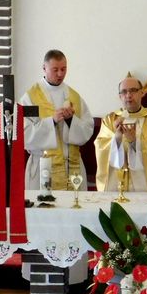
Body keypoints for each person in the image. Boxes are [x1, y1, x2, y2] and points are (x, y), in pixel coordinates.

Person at [21, 50, 95, 191]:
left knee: (76, 204)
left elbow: (87, 129)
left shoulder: (74, 96)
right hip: (44, 167)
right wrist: (52, 122)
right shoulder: (30, 98)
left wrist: (71, 120)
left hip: (72, 167)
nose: (60, 74)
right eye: (55, 70)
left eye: (63, 69)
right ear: (44, 68)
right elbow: (24, 134)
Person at [95, 76, 147, 192]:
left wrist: (134, 142)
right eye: (124, 92)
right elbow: (101, 146)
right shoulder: (109, 120)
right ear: (120, 96)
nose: (128, 95)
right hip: (115, 186)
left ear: (142, 93)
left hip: (143, 187)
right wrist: (117, 138)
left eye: (133, 90)